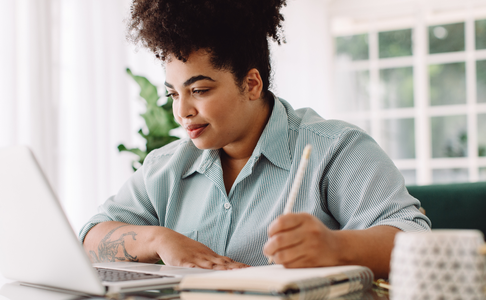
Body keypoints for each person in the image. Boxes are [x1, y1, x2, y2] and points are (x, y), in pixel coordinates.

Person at [79, 0, 430, 278]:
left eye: (199, 89)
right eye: (173, 94)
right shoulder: (167, 166)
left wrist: (336, 246)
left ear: (251, 84)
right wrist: (159, 239)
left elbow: (416, 241)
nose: (182, 111)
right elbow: (90, 238)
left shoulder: (333, 148)